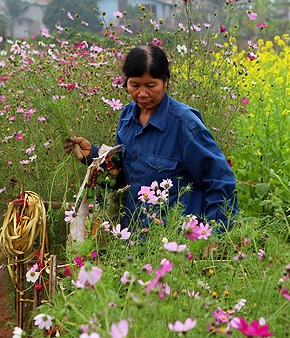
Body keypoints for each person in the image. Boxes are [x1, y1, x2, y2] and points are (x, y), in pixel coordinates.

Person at [64, 44, 237, 229]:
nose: (142, 94)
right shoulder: (127, 117)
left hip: (176, 239)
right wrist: (93, 155)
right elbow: (125, 176)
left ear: (165, 82)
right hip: (133, 234)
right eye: (135, 85)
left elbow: (220, 180)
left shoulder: (184, 124)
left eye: (151, 85)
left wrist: (215, 234)